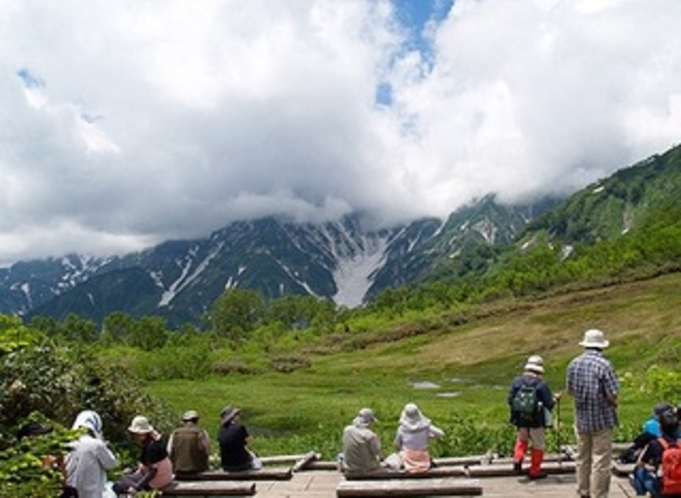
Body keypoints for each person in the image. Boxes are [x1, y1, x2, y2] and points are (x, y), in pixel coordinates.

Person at [566, 329, 620, 498]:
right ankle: (599, 494)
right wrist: (612, 402)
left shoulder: (573, 364)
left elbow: (570, 391)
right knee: (601, 460)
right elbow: (612, 392)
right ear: (600, 347)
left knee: (582, 458)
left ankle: (583, 491)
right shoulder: (604, 364)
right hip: (602, 418)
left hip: (582, 419)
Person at [507, 354, 558, 479]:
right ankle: (535, 471)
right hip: (537, 420)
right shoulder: (541, 384)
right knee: (538, 445)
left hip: (520, 418)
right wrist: (556, 399)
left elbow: (510, 400)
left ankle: (518, 458)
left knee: (522, 440)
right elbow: (549, 404)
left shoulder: (517, 382)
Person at [112, 415, 173, 495]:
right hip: (166, 476)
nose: (136, 437)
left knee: (119, 484)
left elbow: (153, 471)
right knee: (125, 478)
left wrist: (137, 487)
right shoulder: (156, 440)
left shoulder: (150, 448)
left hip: (157, 480)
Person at [65, 410, 118, 498]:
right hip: (91, 493)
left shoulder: (68, 442)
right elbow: (111, 464)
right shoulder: (96, 445)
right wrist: (102, 441)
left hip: (69, 492)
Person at [635, 408, 681, 497]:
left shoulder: (655, 444)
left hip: (664, 489)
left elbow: (640, 464)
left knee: (639, 471)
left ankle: (641, 495)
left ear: (660, 427)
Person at [392, 403, 444, 473]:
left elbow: (396, 444)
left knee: (398, 455)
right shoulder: (425, 426)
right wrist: (430, 436)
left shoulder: (401, 429)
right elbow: (441, 433)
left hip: (408, 458)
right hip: (423, 457)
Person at [167, 410, 211, 476]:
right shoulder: (201, 432)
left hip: (178, 471)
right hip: (198, 471)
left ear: (184, 421)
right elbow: (208, 451)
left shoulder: (175, 433)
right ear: (196, 420)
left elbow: (169, 451)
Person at [217, 405, 260, 472]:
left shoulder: (221, 430)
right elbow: (250, 444)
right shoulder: (240, 428)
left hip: (226, 466)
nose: (239, 417)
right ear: (232, 417)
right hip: (241, 465)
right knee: (255, 458)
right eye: (237, 415)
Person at [341, 408, 383, 473]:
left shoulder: (347, 430)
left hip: (349, 467)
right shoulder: (370, 435)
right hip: (366, 467)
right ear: (369, 421)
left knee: (340, 455)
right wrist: (378, 440)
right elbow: (377, 452)